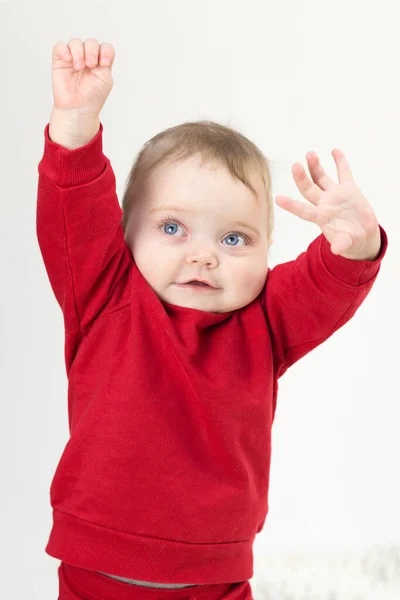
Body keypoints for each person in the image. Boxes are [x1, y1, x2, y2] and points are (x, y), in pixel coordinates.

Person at [36, 38, 388, 600]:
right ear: (124, 235)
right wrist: (75, 126)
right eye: (173, 227)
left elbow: (326, 284)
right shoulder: (105, 295)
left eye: (234, 238)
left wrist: (355, 243)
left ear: (267, 249)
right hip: (95, 571)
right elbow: (72, 208)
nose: (204, 255)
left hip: (216, 579)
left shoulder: (266, 320)